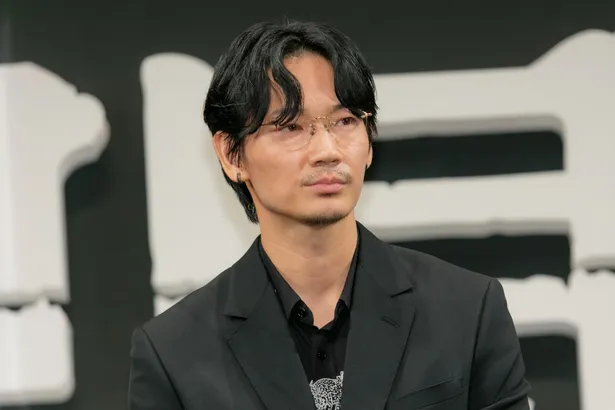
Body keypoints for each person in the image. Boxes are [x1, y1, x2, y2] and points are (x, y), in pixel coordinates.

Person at [128, 20, 531, 410]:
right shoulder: (173, 353)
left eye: (345, 121)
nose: (327, 150)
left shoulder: (467, 310)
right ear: (232, 155)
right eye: (289, 126)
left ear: (369, 142)